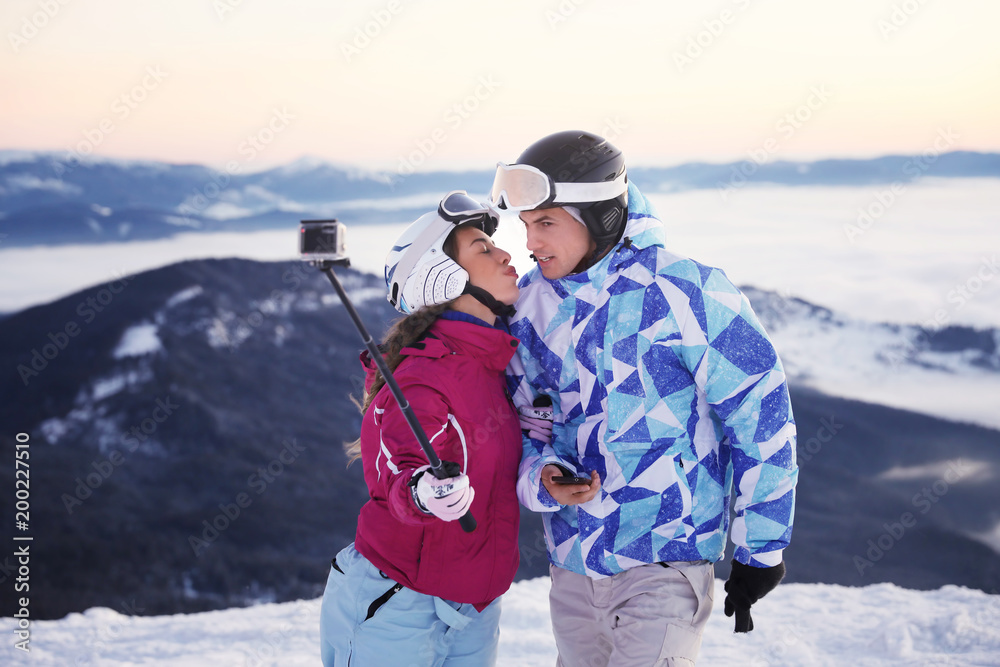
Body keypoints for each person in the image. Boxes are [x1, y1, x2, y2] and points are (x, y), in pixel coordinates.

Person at [492, 131, 799, 666]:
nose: (531, 243)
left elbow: (760, 416)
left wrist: (762, 549)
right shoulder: (529, 307)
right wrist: (543, 477)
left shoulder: (686, 292)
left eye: (546, 223)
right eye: (525, 225)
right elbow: (526, 428)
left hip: (666, 561)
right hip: (573, 566)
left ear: (600, 217)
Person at [319, 191, 525, 667]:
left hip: (474, 606)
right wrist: (421, 491)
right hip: (400, 605)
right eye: (483, 249)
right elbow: (400, 462)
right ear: (443, 278)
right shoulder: (422, 374)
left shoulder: (491, 364)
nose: (505, 253)